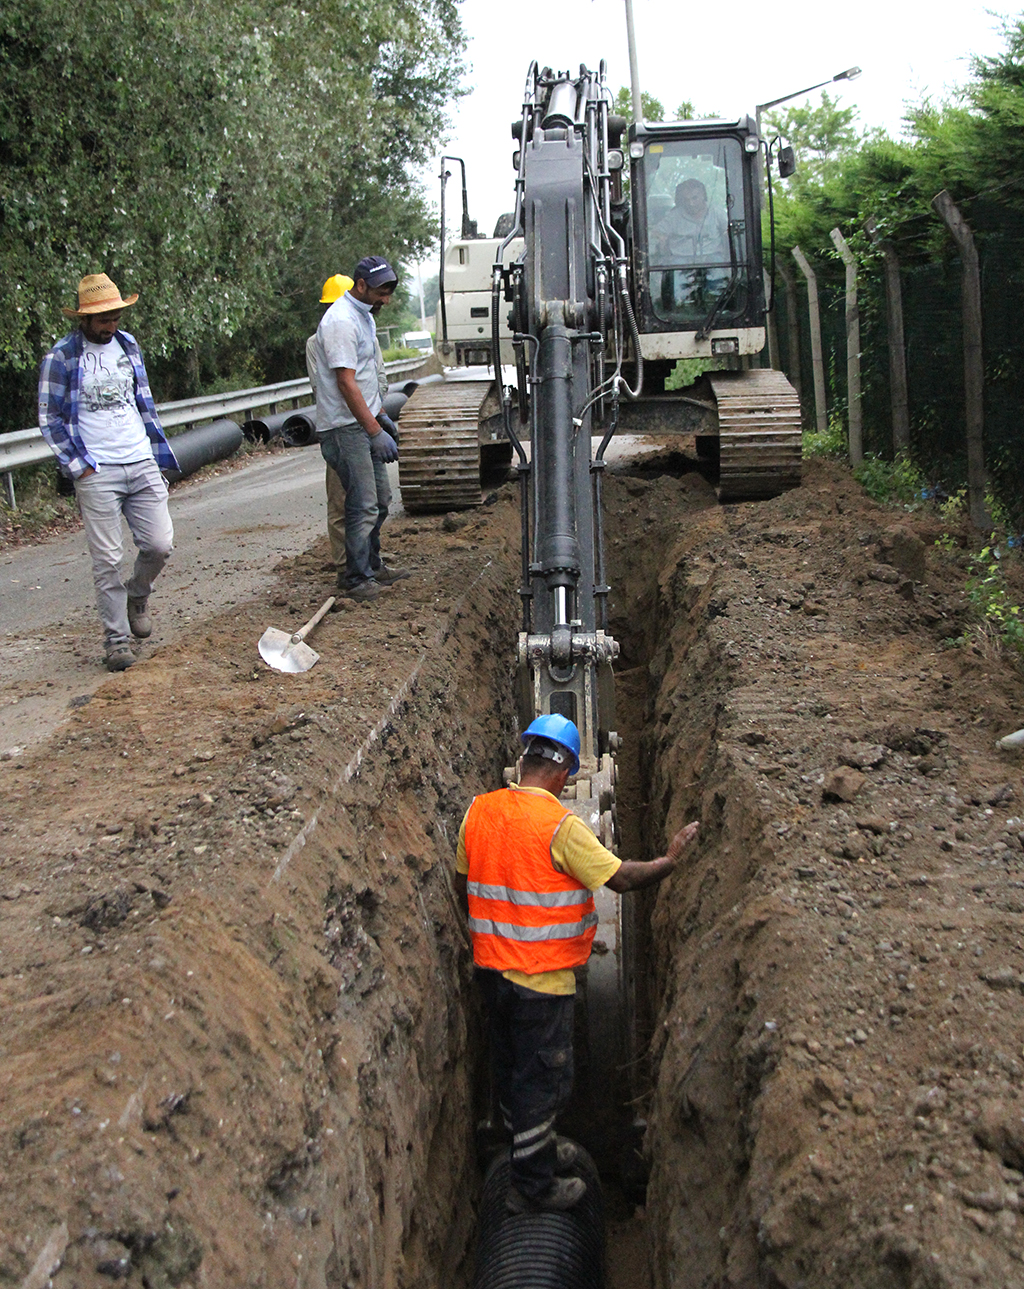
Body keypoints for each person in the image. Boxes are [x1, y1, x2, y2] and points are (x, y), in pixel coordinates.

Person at [454, 714, 699, 1213]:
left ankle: (525, 1147)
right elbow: (622, 879)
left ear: (524, 762)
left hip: (490, 974)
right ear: (564, 772)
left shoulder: (478, 811)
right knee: (544, 1084)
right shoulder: (561, 828)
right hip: (541, 982)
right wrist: (671, 860)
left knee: (511, 1069)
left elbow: (465, 886)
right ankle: (533, 1185)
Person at [38, 273, 179, 672]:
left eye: (114, 316)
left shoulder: (128, 344)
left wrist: (152, 454)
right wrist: (79, 467)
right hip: (96, 469)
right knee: (107, 559)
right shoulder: (62, 356)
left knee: (159, 545)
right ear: (84, 319)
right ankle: (116, 640)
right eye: (102, 319)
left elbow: (141, 403)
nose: (109, 324)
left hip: (140, 460)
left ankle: (138, 594)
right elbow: (49, 418)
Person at [312, 256, 408, 603]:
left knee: (380, 500)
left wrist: (380, 414)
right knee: (363, 503)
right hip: (345, 427)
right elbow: (346, 383)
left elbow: (366, 378)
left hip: (363, 421)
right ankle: (355, 578)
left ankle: (371, 564)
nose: (387, 299)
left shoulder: (363, 317)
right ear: (362, 285)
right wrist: (372, 430)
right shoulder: (340, 321)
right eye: (382, 292)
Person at [654, 178, 729, 264]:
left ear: (703, 196)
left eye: (694, 198)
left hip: (712, 257)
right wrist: (662, 239)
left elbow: (728, 231)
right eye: (686, 200)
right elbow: (656, 232)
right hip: (681, 259)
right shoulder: (674, 216)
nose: (691, 204)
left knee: (719, 268)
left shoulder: (716, 212)